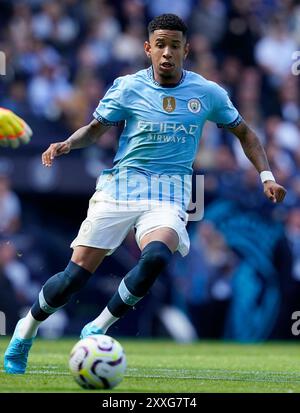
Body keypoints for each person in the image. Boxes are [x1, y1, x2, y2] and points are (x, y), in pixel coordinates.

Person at [4, 14, 286, 374]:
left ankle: (98, 327)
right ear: (148, 48)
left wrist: (266, 176)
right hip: (120, 188)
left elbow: (245, 133)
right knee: (73, 278)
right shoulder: (127, 87)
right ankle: (23, 334)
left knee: (155, 257)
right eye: (161, 44)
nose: (167, 52)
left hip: (169, 193)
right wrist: (67, 144)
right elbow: (95, 129)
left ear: (186, 49)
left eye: (175, 45)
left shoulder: (208, 93)